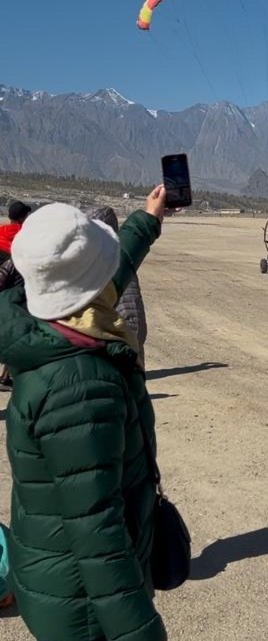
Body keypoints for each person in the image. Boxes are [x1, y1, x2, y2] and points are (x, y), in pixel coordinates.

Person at [0, 186, 170, 641]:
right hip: (83, 607)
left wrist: (149, 218)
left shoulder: (48, 320)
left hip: (52, 575)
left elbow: (110, 269)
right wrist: (139, 633)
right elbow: (98, 532)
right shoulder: (81, 386)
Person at [86, 206, 148, 368]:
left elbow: (132, 312)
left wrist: (128, 349)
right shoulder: (94, 261)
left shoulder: (116, 264)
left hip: (121, 349)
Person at [0, 257, 23, 391]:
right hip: (11, 306)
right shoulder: (14, 262)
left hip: (16, 307)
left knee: (13, 342)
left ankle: (4, 377)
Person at [0, 200, 31, 266]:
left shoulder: (1, 229)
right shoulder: (25, 233)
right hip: (10, 264)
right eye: (26, 216)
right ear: (21, 219)